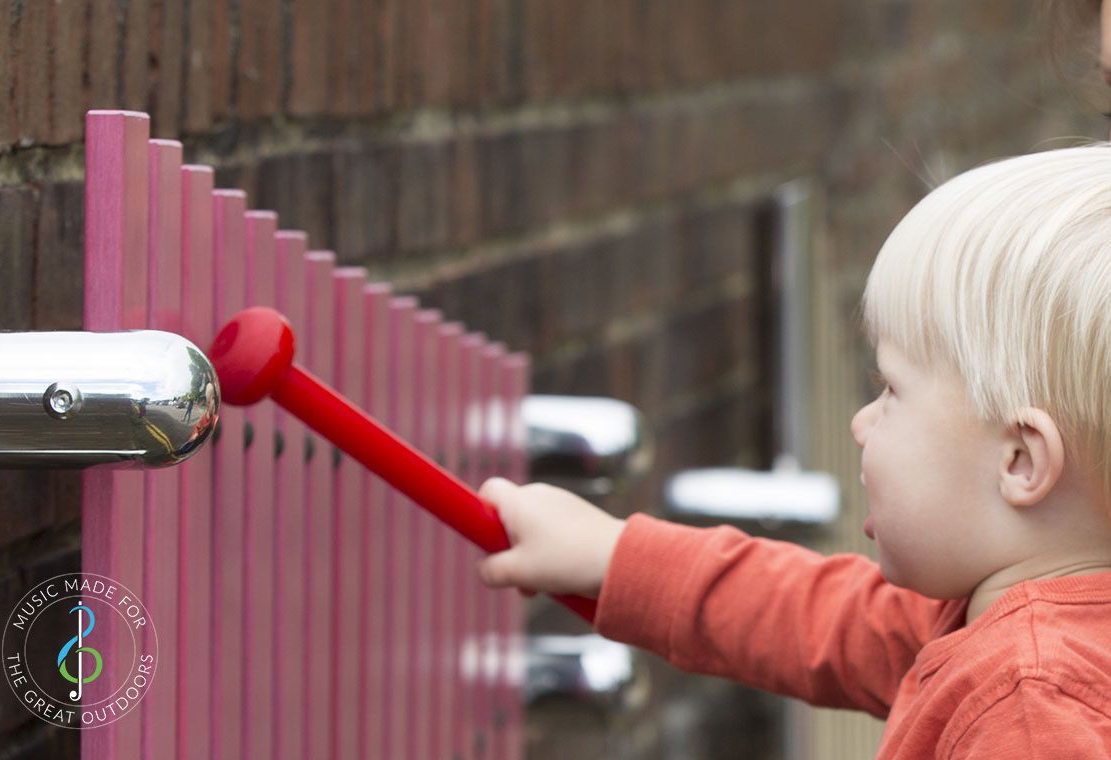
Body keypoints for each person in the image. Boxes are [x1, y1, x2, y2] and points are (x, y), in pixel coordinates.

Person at [476, 144, 1111, 757]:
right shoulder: (994, 619)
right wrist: (615, 556)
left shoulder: (1032, 707)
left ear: (1021, 462)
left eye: (892, 389)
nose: (862, 423)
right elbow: (816, 616)